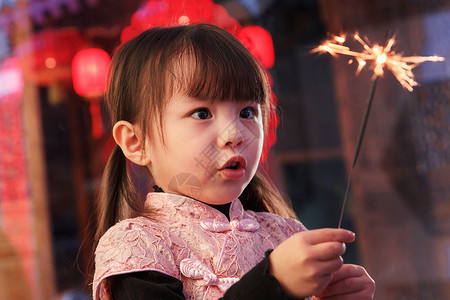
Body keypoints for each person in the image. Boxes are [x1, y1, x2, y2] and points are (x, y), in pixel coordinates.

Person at [92, 23, 375, 300]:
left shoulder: (285, 233)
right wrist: (272, 283)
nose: (235, 135)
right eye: (202, 113)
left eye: (248, 112)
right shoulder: (137, 246)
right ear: (136, 142)